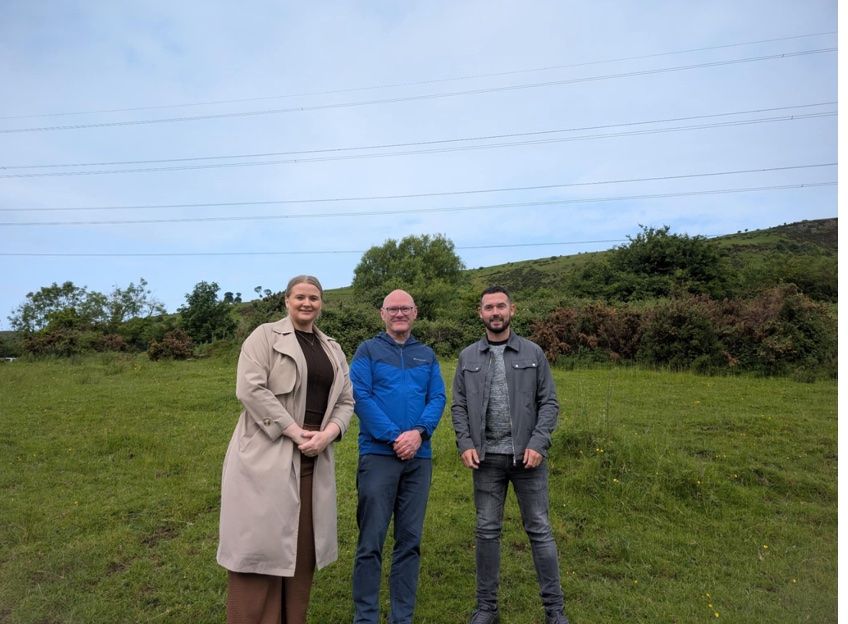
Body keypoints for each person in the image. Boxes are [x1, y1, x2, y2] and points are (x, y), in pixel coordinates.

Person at [217, 275, 354, 624]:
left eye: (314, 298)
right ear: (287, 300)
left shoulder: (333, 349)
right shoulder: (263, 336)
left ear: (322, 303)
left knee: (300, 556)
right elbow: (250, 390)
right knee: (259, 552)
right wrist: (294, 431)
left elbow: (345, 400)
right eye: (300, 297)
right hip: (266, 458)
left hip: (313, 459)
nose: (307, 303)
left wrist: (329, 434)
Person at [451, 286, 569, 624]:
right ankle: (486, 608)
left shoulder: (533, 352)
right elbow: (458, 405)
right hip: (486, 459)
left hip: (527, 460)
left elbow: (549, 402)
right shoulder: (468, 357)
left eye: (500, 306)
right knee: (487, 531)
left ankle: (554, 610)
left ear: (512, 310)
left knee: (539, 530)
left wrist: (538, 443)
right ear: (480, 313)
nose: (495, 312)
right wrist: (465, 443)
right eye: (489, 307)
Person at [349, 289, 446, 624]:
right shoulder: (367, 350)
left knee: (410, 541)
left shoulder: (427, 355)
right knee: (370, 541)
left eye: (405, 308)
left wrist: (418, 433)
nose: (399, 313)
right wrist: (395, 437)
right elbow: (359, 397)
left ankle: (401, 617)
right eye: (393, 308)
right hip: (378, 455)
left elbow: (438, 397)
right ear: (383, 314)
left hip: (419, 457)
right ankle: (366, 617)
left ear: (415, 312)